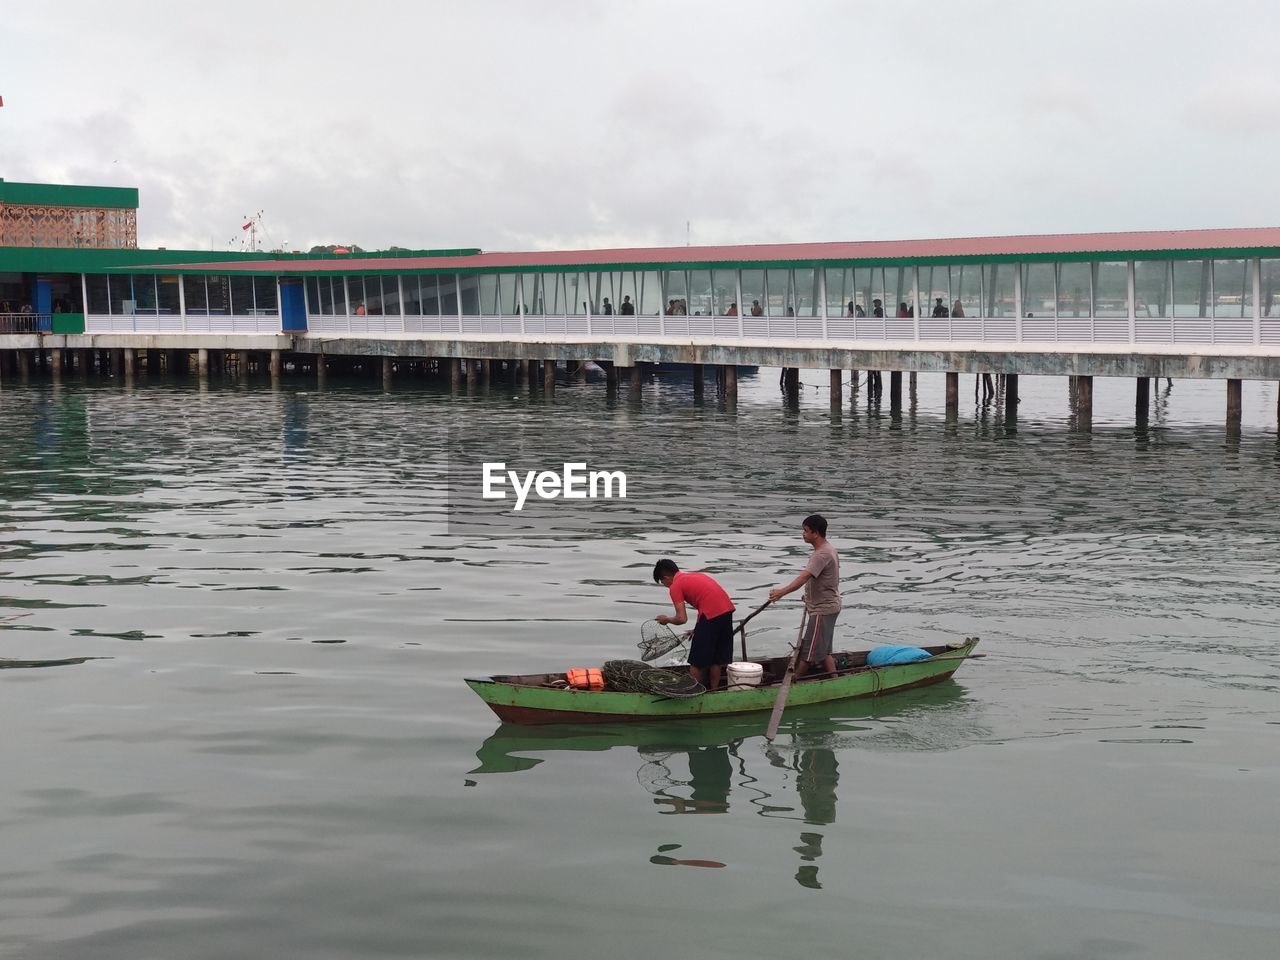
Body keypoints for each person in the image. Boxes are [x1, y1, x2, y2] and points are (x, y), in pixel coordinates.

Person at [767, 514, 840, 680]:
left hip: (823, 609)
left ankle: (794, 683)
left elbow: (803, 577)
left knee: (809, 652)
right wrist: (808, 596)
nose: (803, 534)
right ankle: (836, 679)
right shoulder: (828, 549)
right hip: (828, 606)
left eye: (805, 531)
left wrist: (781, 592)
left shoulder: (821, 555)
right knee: (824, 650)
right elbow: (823, 580)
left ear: (816, 533)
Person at [653, 558, 736, 692]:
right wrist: (698, 628)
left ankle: (693, 693)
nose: (666, 586)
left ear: (666, 577)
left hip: (711, 616)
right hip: (726, 612)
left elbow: (681, 619)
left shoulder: (675, 585)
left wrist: (666, 619)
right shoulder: (695, 575)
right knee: (716, 659)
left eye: (663, 583)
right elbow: (707, 601)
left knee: (696, 661)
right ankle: (714, 690)